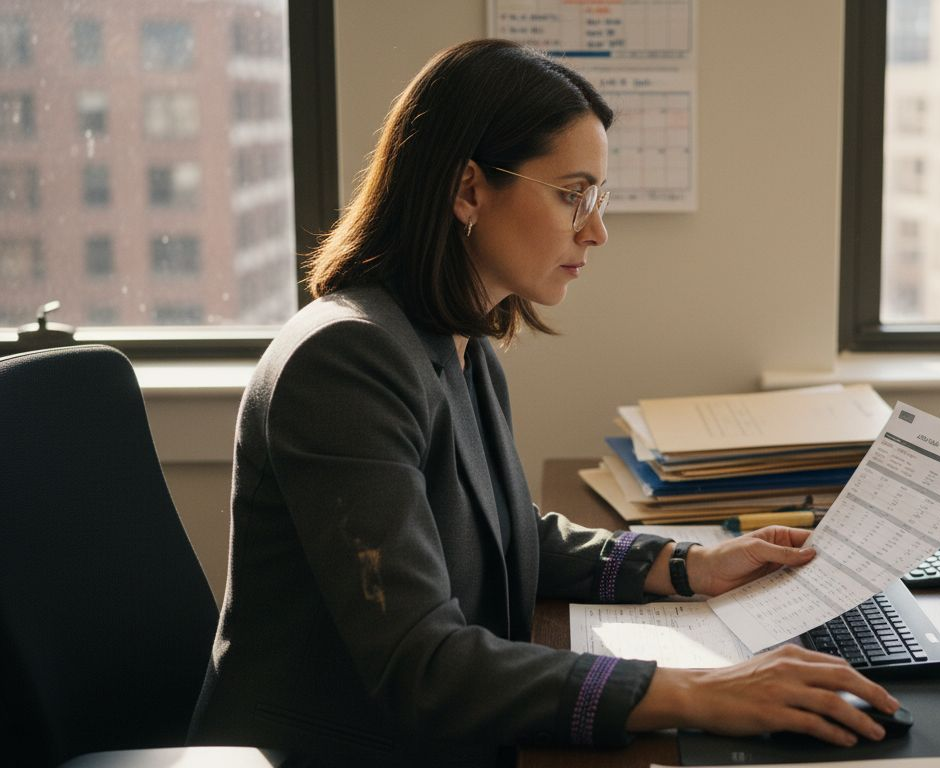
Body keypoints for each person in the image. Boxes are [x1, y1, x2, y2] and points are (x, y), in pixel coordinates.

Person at [189, 39, 898, 767]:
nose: (596, 229)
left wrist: (691, 566)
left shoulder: (458, 343)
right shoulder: (347, 361)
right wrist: (702, 690)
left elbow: (501, 534)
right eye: (572, 194)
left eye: (598, 198)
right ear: (468, 190)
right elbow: (423, 666)